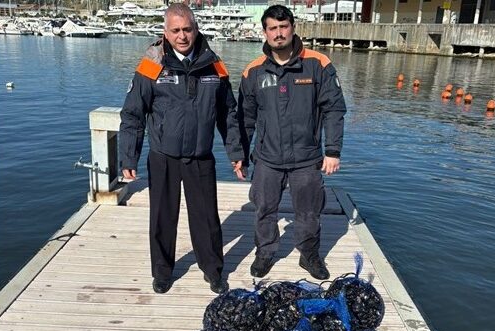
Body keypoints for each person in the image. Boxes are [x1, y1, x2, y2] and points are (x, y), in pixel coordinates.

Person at [119, 4, 246, 295]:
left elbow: (228, 114)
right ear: (165, 32)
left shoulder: (215, 66)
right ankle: (162, 272)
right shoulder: (151, 65)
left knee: (207, 219)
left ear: (196, 29)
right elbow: (133, 114)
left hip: (201, 157)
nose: (182, 36)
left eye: (187, 29)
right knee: (163, 217)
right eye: (175, 30)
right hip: (163, 156)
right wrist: (129, 156)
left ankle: (213, 271)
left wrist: (236, 154)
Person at [238, 5, 346, 280]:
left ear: (293, 27)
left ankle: (309, 255)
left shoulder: (318, 63)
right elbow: (245, 118)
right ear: (265, 32)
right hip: (267, 158)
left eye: (283, 26)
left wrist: (332, 151)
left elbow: (334, 109)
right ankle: (265, 253)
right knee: (264, 209)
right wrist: (239, 153)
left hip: (307, 158)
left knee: (309, 211)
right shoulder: (253, 71)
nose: (278, 33)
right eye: (272, 28)